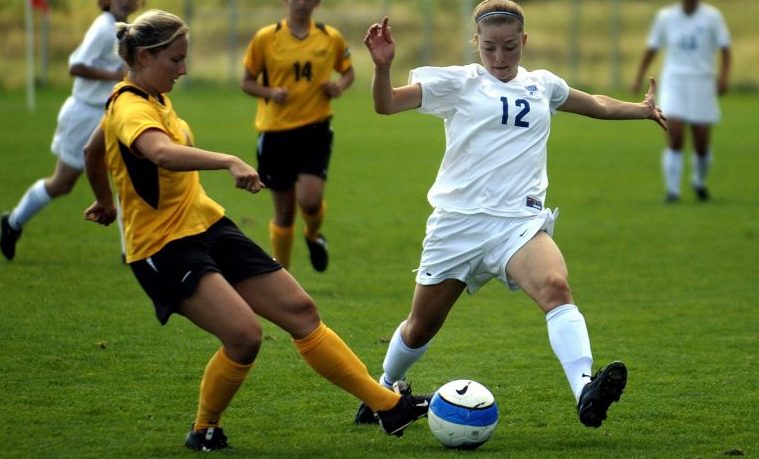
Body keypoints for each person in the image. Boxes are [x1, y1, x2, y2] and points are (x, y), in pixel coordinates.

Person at [82, 9, 429, 452]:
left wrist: (104, 199)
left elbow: (94, 149)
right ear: (146, 57)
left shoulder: (147, 98)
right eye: (176, 59)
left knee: (301, 311)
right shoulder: (130, 106)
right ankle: (205, 428)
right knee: (244, 337)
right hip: (163, 246)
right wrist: (228, 160)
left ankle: (388, 406)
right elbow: (161, 153)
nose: (184, 69)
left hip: (206, 224)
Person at [356, 0, 667, 429]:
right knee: (420, 327)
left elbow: (595, 103)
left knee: (556, 287)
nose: (500, 58)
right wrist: (383, 66)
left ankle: (585, 389)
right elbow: (386, 104)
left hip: (517, 225)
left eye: (509, 48)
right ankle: (383, 388)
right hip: (458, 224)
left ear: (524, 41)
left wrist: (642, 109)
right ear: (475, 44)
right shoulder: (458, 83)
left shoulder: (544, 86)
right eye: (489, 49)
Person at [1, 0, 141, 261]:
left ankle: (129, 251)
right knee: (62, 183)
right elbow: (75, 65)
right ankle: (12, 223)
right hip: (84, 114)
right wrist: (113, 76)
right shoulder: (103, 28)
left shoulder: (127, 29)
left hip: (110, 114)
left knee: (126, 178)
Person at [241, 0, 355, 272]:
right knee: (284, 213)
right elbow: (247, 81)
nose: (301, 2)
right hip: (275, 133)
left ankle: (313, 235)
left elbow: (348, 72)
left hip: (315, 130)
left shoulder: (330, 37)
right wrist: (270, 93)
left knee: (311, 200)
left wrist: (337, 86)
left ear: (317, 3)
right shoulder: (266, 38)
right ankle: (283, 276)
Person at [632, 0, 731, 202]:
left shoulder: (713, 16)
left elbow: (725, 49)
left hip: (702, 82)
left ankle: (699, 181)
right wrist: (638, 76)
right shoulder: (666, 17)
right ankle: (673, 191)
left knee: (701, 141)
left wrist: (723, 77)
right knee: (674, 135)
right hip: (675, 82)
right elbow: (652, 47)